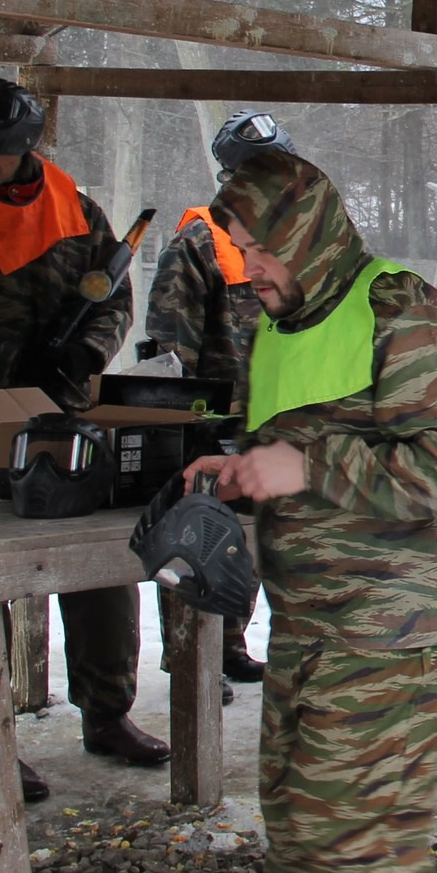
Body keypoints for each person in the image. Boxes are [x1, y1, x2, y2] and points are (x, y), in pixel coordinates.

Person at [187, 148, 437, 873]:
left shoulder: (405, 312)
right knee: (294, 828)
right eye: (239, 249)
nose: (249, 267)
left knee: (354, 833)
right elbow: (299, 444)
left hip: (390, 632)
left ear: (306, 231)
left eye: (261, 247)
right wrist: (240, 468)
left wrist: (306, 468)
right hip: (306, 622)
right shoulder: (276, 324)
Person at [0, 77, 164, 797]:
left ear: (27, 145)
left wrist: (86, 353)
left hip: (65, 422)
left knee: (100, 569)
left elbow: (114, 301)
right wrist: (11, 360)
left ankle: (107, 711)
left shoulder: (79, 213)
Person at [142, 109, 298, 684]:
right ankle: (193, 660)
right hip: (213, 428)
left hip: (281, 422)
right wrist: (183, 429)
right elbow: (168, 345)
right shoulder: (201, 240)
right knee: (203, 539)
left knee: (258, 543)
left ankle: (231, 643)